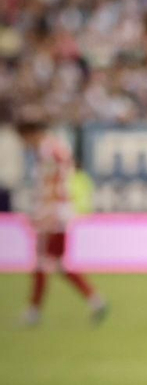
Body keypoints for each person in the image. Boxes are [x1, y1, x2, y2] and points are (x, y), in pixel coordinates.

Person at [16, 114, 106, 328]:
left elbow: (53, 184)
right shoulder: (56, 148)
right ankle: (94, 301)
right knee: (54, 263)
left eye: (24, 138)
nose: (24, 143)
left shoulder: (48, 151)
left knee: (44, 262)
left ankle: (34, 311)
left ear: (31, 134)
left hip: (54, 213)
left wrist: (43, 212)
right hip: (59, 211)